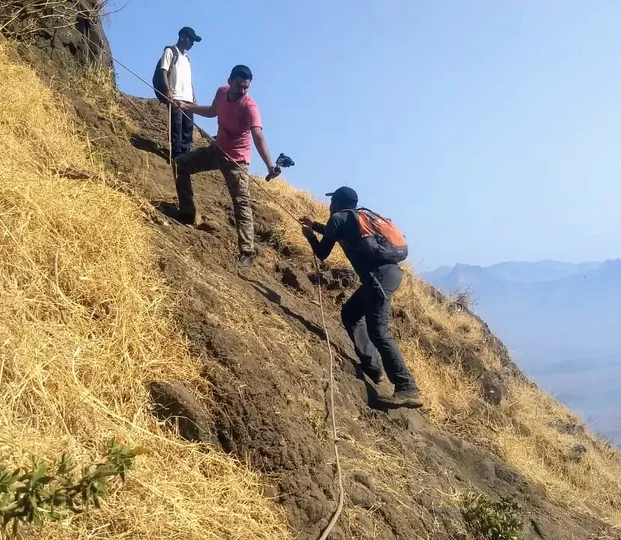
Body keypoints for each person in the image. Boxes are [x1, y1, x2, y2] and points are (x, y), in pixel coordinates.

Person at [301, 187, 423, 408]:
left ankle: (407, 387)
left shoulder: (338, 219)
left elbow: (322, 253)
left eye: (332, 201)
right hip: (388, 274)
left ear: (337, 203)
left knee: (378, 331)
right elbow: (339, 235)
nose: (329, 206)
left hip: (379, 279)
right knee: (350, 313)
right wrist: (315, 226)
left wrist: (310, 236)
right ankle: (373, 368)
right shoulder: (359, 218)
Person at [175, 65, 281, 267]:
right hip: (217, 150)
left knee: (241, 204)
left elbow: (257, 135)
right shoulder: (222, 91)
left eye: (246, 87)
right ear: (230, 81)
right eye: (239, 86)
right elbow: (212, 111)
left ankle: (247, 252)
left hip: (236, 161)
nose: (242, 91)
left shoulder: (249, 107)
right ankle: (187, 213)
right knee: (181, 164)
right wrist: (186, 106)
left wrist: (269, 165)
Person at [156, 26, 200, 158]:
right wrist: (167, 90)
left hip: (188, 99)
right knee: (177, 127)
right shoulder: (170, 51)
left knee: (188, 129)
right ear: (182, 37)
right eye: (191, 40)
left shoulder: (187, 58)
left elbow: (188, 80)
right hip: (175, 96)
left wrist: (193, 96)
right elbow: (163, 71)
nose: (192, 43)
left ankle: (185, 156)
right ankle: (176, 155)